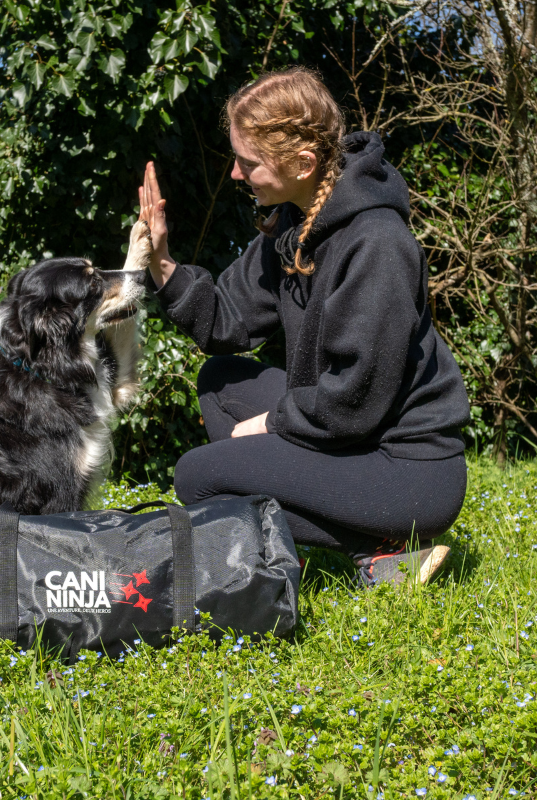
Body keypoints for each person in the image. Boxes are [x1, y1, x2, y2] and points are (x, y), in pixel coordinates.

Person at [137, 67, 471, 587]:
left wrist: (273, 425)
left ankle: (373, 546)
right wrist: (163, 265)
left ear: (303, 162)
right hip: (348, 432)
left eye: (248, 162)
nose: (235, 175)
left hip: (408, 469)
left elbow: (355, 398)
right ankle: (350, 545)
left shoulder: (377, 243)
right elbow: (227, 322)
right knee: (222, 382)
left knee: (197, 477)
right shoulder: (296, 223)